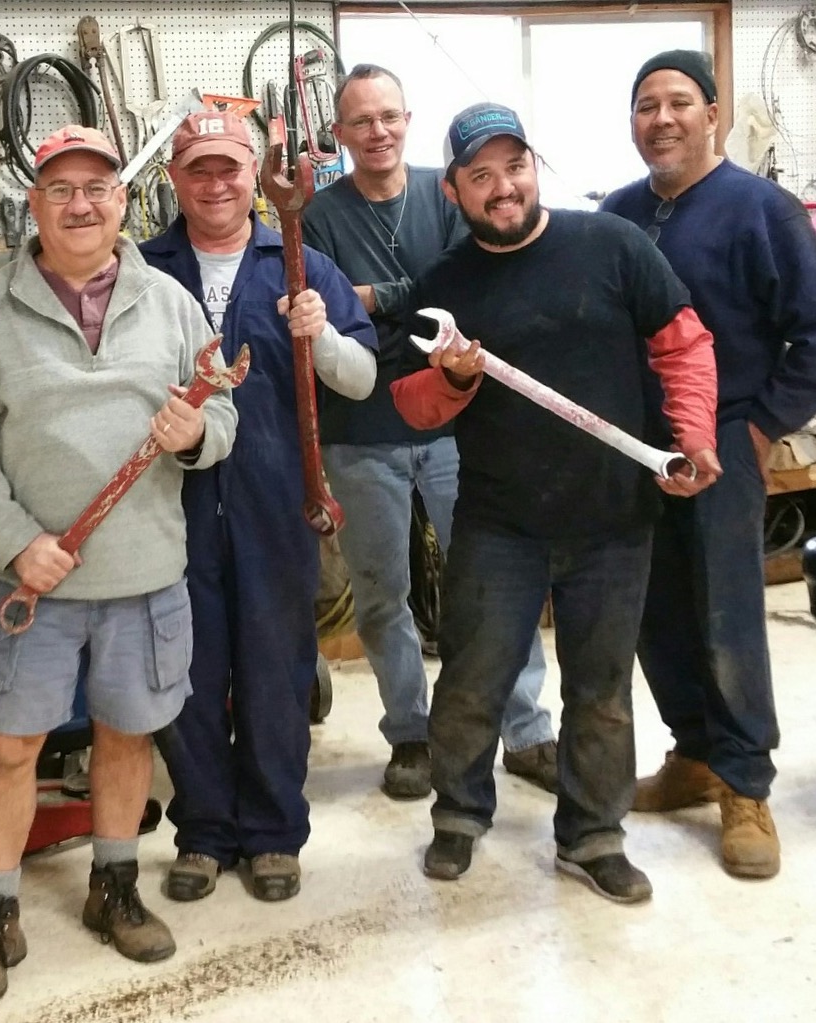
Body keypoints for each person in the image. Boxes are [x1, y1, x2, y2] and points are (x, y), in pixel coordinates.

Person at [0, 125, 238, 1008]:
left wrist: (197, 434)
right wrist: (14, 540)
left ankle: (114, 886)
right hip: (32, 580)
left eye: (96, 187)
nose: (79, 204)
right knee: (10, 746)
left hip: (145, 573)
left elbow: (222, 415)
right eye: (59, 189)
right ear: (33, 204)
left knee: (127, 735)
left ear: (120, 201)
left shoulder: (171, 304)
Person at [389, 102, 721, 904]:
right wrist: (454, 378)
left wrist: (693, 434)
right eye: (479, 176)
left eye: (513, 167)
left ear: (533, 167)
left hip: (612, 519)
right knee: (471, 680)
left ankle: (592, 835)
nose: (502, 187)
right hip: (498, 524)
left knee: (600, 691)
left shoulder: (610, 245)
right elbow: (411, 404)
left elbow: (682, 342)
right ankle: (458, 815)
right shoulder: (444, 286)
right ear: (453, 192)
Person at [602, 50, 816, 880]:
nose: (661, 119)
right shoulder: (619, 213)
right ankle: (694, 753)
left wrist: (762, 424)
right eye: (646, 105)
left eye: (679, 102)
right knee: (654, 609)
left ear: (712, 115)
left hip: (722, 443)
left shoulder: (758, 209)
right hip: (637, 451)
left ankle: (745, 785)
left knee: (724, 613)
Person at [137, 109, 377, 903]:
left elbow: (360, 380)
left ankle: (273, 832)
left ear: (256, 177)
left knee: (276, 673)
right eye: (197, 169)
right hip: (169, 508)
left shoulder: (300, 262)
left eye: (229, 168)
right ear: (174, 180)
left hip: (276, 505)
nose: (215, 185)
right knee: (187, 674)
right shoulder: (142, 270)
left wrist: (322, 335)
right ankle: (204, 831)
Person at [302, 64, 558, 801]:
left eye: (388, 116)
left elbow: (457, 290)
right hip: (359, 429)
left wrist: (375, 298)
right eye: (360, 121)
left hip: (455, 424)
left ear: (407, 120)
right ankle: (411, 734)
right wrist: (396, 303)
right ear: (340, 134)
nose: (377, 131)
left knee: (493, 581)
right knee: (382, 593)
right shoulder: (317, 218)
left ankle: (526, 731)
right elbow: (332, 313)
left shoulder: (447, 194)